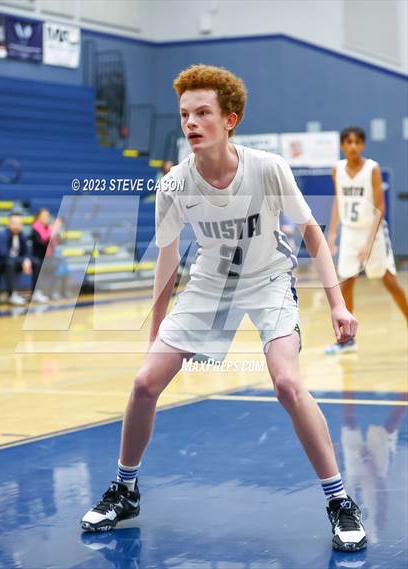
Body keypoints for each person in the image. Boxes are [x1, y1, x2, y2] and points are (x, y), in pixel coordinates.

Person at [81, 65, 366, 552]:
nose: (191, 122)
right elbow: (167, 261)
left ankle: (340, 500)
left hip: (270, 279)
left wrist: (337, 305)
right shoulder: (173, 185)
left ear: (229, 120)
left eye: (203, 113)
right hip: (210, 285)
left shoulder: (267, 168)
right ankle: (125, 490)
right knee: (144, 383)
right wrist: (156, 333)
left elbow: (312, 233)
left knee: (287, 383)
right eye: (184, 114)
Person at [326, 126, 408, 354]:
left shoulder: (372, 168)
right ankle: (347, 339)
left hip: (373, 231)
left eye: (357, 142)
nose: (353, 146)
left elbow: (380, 207)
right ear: (342, 145)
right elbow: (338, 201)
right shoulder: (337, 169)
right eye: (348, 142)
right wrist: (332, 235)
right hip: (350, 232)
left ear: (362, 145)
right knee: (346, 283)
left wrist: (369, 243)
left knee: (389, 282)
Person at [0, 212, 44, 305]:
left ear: (22, 225)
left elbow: (27, 252)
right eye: (14, 223)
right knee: (9, 263)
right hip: (1, 264)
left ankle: (35, 292)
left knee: (37, 262)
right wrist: (23, 261)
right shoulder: (1, 235)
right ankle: (12, 294)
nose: (16, 226)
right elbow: (4, 254)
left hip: (16, 262)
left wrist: (26, 260)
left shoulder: (23, 236)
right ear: (8, 224)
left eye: (19, 223)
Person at [31, 209, 69, 300]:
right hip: (38, 257)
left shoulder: (48, 228)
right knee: (48, 265)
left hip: (49, 257)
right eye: (44, 215)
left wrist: (58, 232)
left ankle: (59, 292)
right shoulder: (35, 229)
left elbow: (59, 242)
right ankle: (38, 292)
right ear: (38, 217)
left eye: (47, 215)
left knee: (64, 267)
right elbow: (41, 244)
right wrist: (52, 233)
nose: (46, 217)